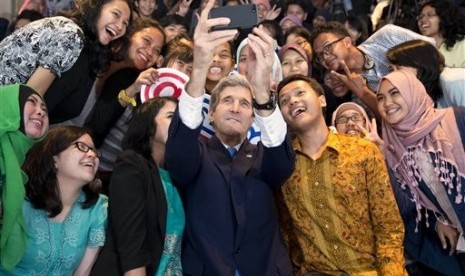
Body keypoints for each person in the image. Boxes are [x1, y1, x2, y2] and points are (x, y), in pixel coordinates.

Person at [165, 0, 294, 273]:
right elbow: (178, 158)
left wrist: (261, 93)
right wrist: (199, 67)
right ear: (210, 114)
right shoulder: (196, 156)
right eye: (227, 101)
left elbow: (283, 164)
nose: (236, 107)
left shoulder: (264, 156)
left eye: (245, 104)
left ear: (252, 118)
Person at [275, 74, 407, 275]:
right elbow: (286, 234)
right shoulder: (283, 164)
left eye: (300, 93)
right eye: (284, 101)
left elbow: (388, 227)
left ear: (322, 99)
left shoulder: (363, 151)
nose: (293, 101)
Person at [377, 69, 465, 275]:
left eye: (395, 93)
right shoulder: (391, 147)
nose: (387, 103)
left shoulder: (457, 118)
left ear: (413, 92)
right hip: (456, 243)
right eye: (380, 98)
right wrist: (435, 223)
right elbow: (409, 205)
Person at [91, 97, 184, 275]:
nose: (178, 123)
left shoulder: (176, 177)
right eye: (171, 116)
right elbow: (130, 238)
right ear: (148, 123)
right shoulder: (132, 163)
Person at [0, 0, 132, 124]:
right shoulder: (72, 35)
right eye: (116, 14)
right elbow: (30, 97)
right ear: (96, 9)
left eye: (125, 23)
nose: (120, 26)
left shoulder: (85, 46)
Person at [1, 125, 107, 274]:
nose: (92, 155)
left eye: (94, 151)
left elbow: (83, 272)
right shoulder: (17, 197)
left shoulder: (96, 209)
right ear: (54, 158)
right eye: (82, 146)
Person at [84, 17, 165, 192]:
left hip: (107, 178)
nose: (149, 51)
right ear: (131, 35)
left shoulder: (138, 83)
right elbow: (97, 126)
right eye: (146, 41)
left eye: (156, 50)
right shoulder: (99, 55)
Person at [310, 21, 434, 116]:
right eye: (319, 55)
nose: (325, 57)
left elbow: (432, 48)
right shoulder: (348, 88)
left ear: (347, 42)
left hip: (434, 90)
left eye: (327, 47)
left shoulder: (386, 36)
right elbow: (387, 119)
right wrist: (363, 93)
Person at [0, 84, 49, 271]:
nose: (40, 112)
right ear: (10, 105)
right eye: (31, 103)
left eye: (44, 109)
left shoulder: (16, 169)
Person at [387, 39, 465, 108]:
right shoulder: (425, 90)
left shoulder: (453, 81)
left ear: (420, 63)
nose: (394, 74)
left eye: (399, 67)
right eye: (391, 70)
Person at [417, 0, 465, 68]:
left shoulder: (462, 44)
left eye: (430, 15)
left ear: (444, 17)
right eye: (420, 17)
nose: (423, 20)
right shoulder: (417, 47)